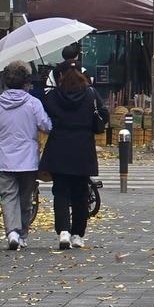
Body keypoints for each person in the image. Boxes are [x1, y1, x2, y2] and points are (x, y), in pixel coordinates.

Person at [0, 61, 52, 250]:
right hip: (28, 161)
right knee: (26, 199)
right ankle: (22, 234)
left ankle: (12, 232)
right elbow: (46, 126)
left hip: (4, 160)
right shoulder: (34, 104)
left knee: (8, 197)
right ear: (26, 82)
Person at [40, 66, 107, 250]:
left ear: (61, 78)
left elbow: (46, 117)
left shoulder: (53, 97)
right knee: (81, 193)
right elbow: (104, 115)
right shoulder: (90, 94)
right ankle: (78, 233)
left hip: (59, 147)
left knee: (60, 191)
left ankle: (63, 231)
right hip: (83, 148)